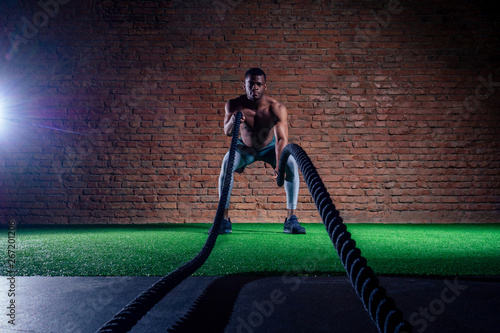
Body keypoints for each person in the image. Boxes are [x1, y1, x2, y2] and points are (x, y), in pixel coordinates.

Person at [211, 68, 306, 235]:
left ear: (264, 87)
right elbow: (226, 131)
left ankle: (291, 219)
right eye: (251, 84)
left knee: (291, 162)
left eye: (258, 84)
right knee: (227, 163)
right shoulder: (233, 104)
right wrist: (233, 121)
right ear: (245, 85)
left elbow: (282, 139)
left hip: (269, 148)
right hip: (245, 148)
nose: (254, 88)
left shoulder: (276, 108)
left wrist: (279, 165)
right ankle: (223, 220)